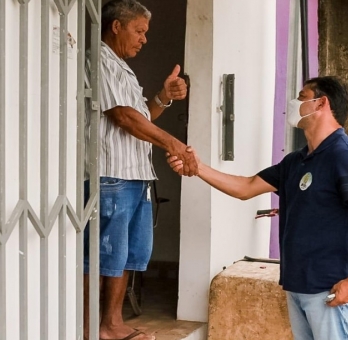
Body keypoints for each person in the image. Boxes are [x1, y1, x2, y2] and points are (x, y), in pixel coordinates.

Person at [168, 76, 348, 340]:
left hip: (329, 287)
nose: (294, 103)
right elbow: (246, 187)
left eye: (302, 97)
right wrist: (197, 167)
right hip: (298, 285)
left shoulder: (346, 155)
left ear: (322, 103)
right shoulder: (296, 161)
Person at [83, 1, 197, 339]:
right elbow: (122, 116)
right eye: (140, 31)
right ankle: (91, 327)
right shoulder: (99, 59)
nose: (144, 39)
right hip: (112, 173)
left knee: (128, 254)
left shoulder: (121, 67)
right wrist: (173, 144)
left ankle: (111, 323)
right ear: (116, 26)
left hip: (135, 174)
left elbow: (141, 116)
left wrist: (163, 96)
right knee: (103, 255)